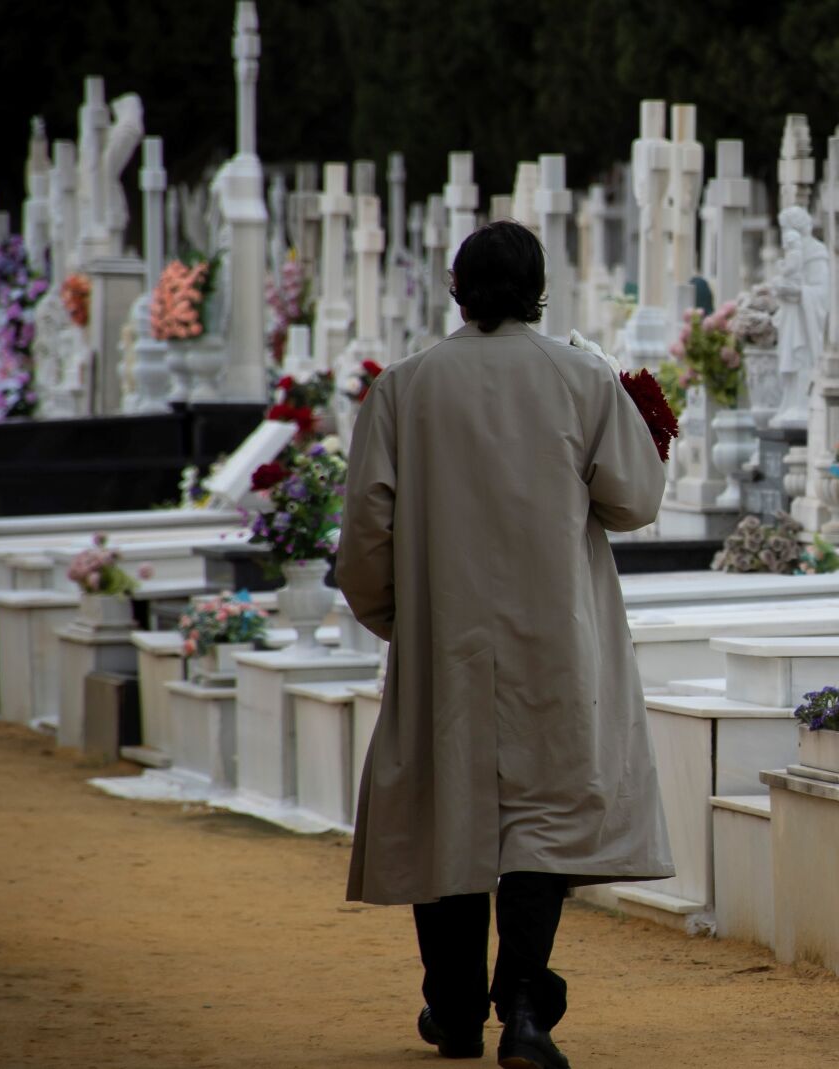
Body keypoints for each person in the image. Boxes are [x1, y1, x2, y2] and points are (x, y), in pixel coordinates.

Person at [338, 220, 671, 1068]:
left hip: (446, 632)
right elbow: (633, 501)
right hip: (554, 632)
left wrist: (398, 619)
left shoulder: (405, 388)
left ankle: (454, 1008)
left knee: (445, 806)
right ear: (539, 289)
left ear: (456, 289)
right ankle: (523, 1003)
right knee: (543, 817)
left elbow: (366, 536)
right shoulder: (580, 378)